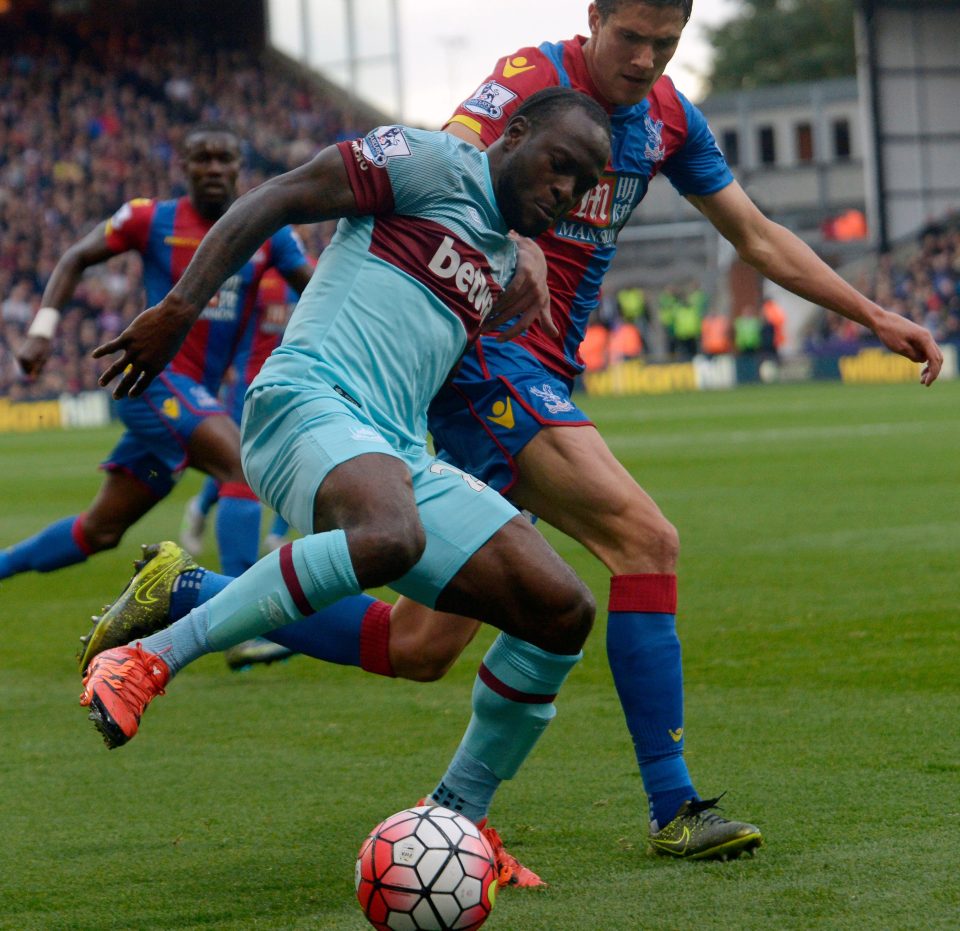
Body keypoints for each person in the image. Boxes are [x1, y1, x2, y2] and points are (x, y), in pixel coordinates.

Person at [83, 0, 945, 867]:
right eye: (632, 37)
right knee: (644, 541)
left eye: (666, 43)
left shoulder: (673, 120)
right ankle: (674, 801)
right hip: (489, 372)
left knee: (435, 641)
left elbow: (754, 233)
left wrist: (871, 311)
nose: (645, 59)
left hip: (495, 385)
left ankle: (204, 605)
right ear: (595, 17)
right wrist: (513, 238)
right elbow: (456, 160)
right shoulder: (529, 81)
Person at [79, 89, 612, 886]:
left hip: (393, 444)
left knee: (560, 610)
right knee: (391, 533)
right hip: (305, 400)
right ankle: (149, 657)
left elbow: (431, 368)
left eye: (581, 186)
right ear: (517, 133)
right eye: (559, 166)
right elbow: (280, 195)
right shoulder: (429, 161)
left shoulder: (503, 259)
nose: (565, 192)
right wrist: (180, 308)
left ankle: (458, 820)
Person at [1, 125, 313, 584]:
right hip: (150, 383)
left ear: (237, 167)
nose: (212, 167)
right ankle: (240, 623)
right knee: (242, 469)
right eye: (201, 158)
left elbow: (316, 289)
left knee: (101, 530)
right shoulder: (150, 219)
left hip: (192, 398)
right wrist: (42, 330)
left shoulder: (268, 232)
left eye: (223, 158)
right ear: (182, 165)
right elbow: (76, 257)